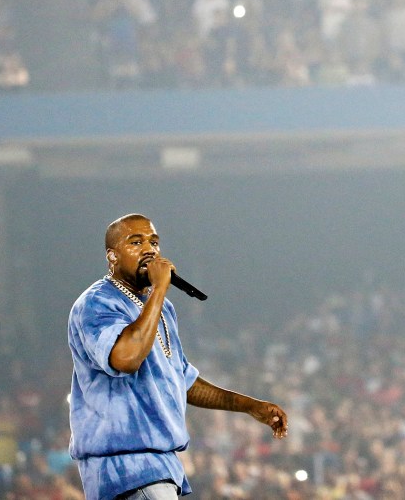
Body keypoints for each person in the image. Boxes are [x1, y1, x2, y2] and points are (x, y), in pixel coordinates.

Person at [68, 213, 288, 500]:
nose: (150, 249)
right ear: (112, 257)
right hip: (127, 469)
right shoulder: (97, 303)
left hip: (160, 466)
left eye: (154, 242)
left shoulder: (162, 308)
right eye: (136, 242)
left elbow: (181, 381)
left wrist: (248, 405)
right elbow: (125, 359)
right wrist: (159, 288)